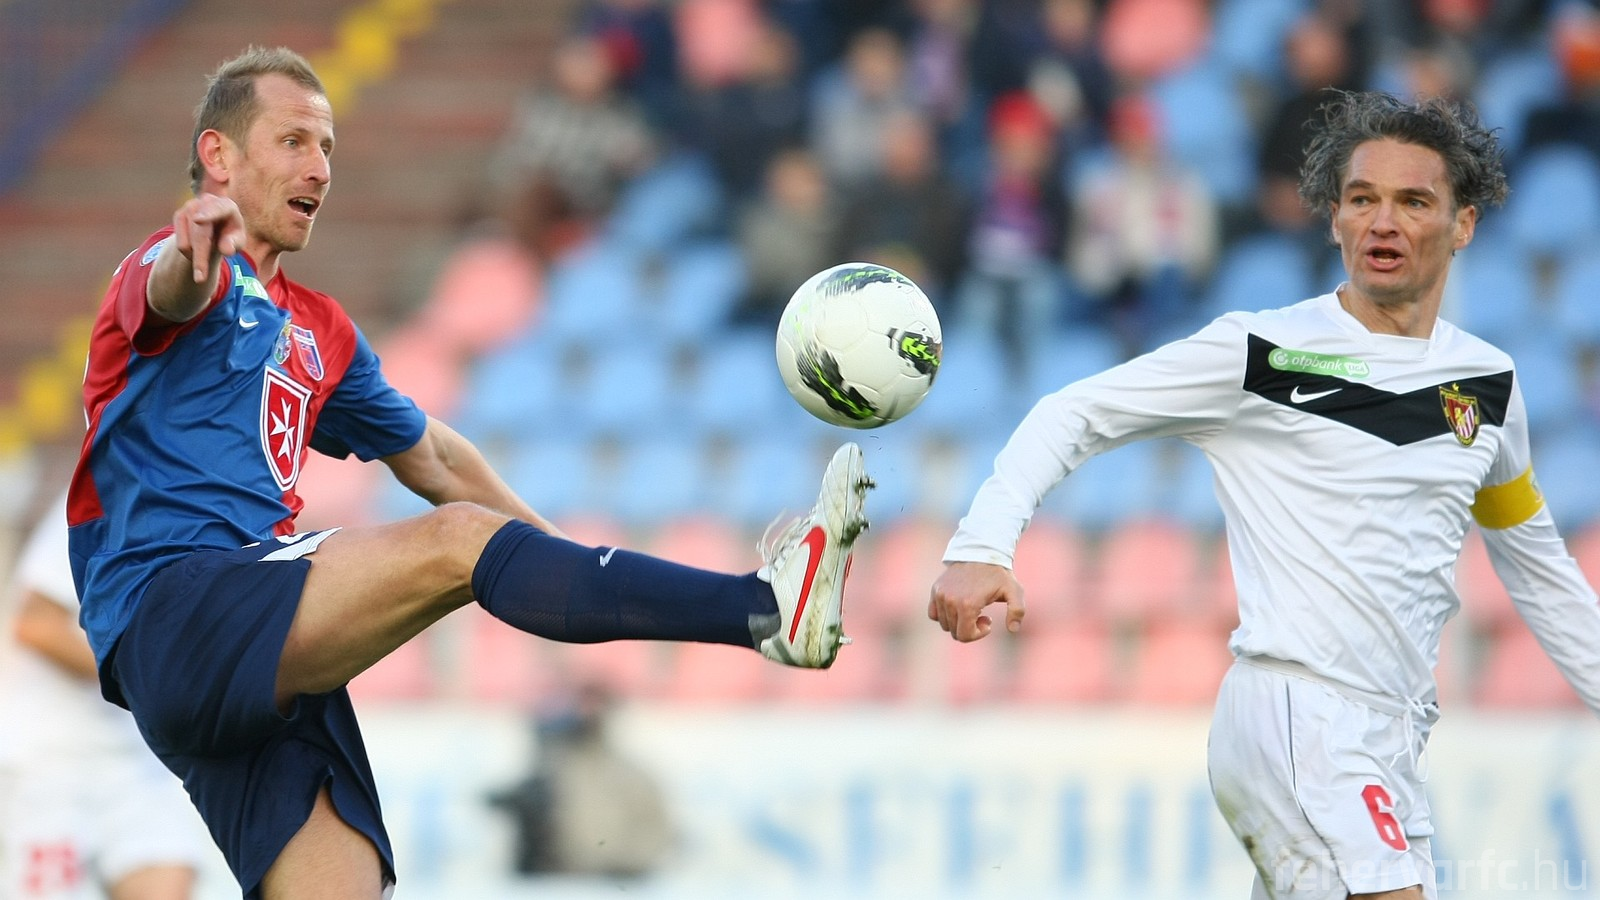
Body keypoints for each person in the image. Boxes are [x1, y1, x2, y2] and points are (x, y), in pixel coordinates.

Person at [67, 45, 872, 900]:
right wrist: (191, 247)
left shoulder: (321, 330)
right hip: (174, 610)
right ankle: (763, 607)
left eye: (328, 147)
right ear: (219, 155)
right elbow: (172, 294)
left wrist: (572, 569)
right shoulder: (166, 263)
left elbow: (438, 458)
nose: (320, 168)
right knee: (457, 543)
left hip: (257, 653)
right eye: (293, 141)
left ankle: (763, 609)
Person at [929, 89, 1600, 899]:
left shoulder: (1488, 387)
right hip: (1296, 711)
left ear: (1463, 225)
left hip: (1392, 736)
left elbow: (1538, 570)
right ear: (1335, 219)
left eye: (1413, 202)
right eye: (1362, 200)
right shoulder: (1266, 354)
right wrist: (982, 543)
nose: (1383, 223)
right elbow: (1073, 411)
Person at [1, 490, 210, 900]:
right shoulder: (103, 497)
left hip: (134, 758)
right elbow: (36, 624)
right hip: (49, 761)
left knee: (168, 880)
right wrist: (143, 677)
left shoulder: (205, 509)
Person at [487, 681, 675, 880]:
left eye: (592, 705)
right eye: (579, 704)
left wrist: (625, 863)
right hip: (556, 877)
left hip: (611, 878)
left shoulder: (630, 777)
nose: (584, 712)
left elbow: (655, 834)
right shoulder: (556, 768)